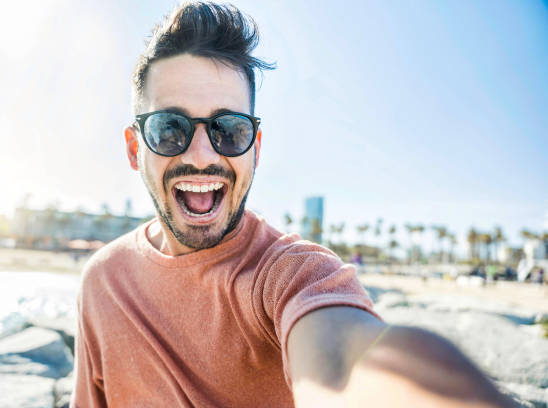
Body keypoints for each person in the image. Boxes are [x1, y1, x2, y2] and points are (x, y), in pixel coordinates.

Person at [70, 2, 517, 407]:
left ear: (256, 149)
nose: (202, 155)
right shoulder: (103, 281)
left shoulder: (289, 276)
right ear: (134, 149)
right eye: (170, 128)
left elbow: (345, 361)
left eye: (229, 129)